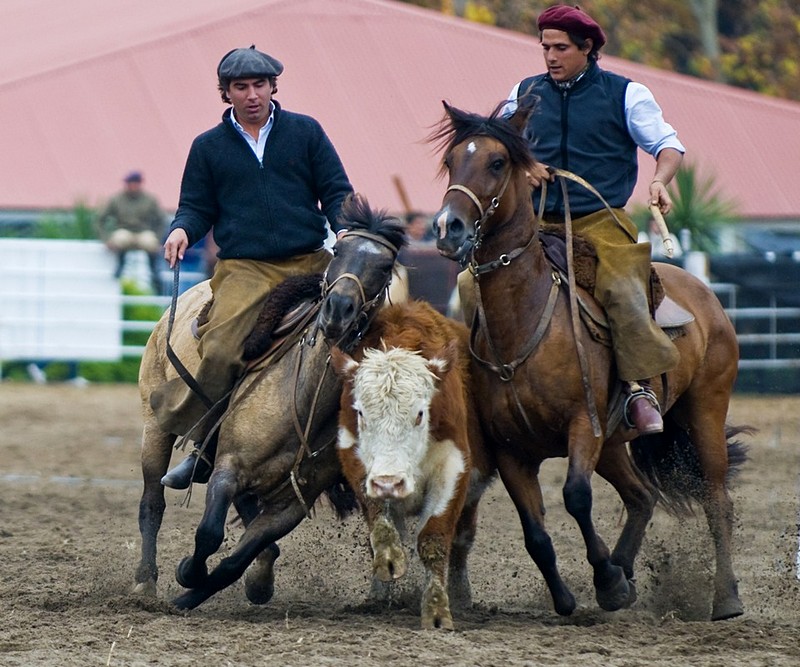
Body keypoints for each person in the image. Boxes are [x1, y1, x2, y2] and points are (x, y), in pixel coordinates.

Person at [151, 45, 353, 488]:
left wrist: (343, 229)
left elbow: (336, 190)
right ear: (226, 93)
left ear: (272, 86)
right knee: (221, 350)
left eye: (259, 84)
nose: (252, 94)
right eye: (240, 87)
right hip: (246, 268)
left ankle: (373, 441)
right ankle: (206, 446)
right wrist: (182, 228)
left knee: (371, 329)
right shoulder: (208, 147)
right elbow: (195, 206)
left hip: (312, 259)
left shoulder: (306, 132)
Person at [505, 4, 684, 435]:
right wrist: (522, 162)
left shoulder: (626, 94)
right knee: (473, 283)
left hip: (601, 222)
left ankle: (638, 388)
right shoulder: (523, 93)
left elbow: (668, 145)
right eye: (545, 46)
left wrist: (660, 180)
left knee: (623, 289)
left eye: (561, 48)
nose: (550, 56)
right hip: (535, 224)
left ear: (588, 48)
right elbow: (499, 146)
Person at [96, 171, 166, 292]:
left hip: (143, 231)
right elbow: (101, 219)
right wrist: (106, 239)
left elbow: (161, 220)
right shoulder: (117, 199)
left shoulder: (149, 200)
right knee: (120, 239)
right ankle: (120, 265)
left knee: (150, 243)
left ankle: (154, 271)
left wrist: (159, 238)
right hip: (124, 230)